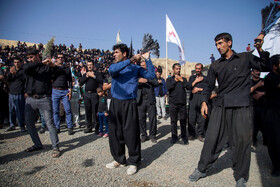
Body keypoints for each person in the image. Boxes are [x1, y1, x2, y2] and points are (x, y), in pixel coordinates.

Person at [188, 32, 269, 187]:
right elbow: (208, 86)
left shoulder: (246, 57)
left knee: (241, 142)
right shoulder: (215, 65)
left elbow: (265, 66)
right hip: (221, 106)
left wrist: (260, 48)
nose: (218, 47)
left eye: (221, 43)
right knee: (211, 138)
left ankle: (241, 176)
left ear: (229, 43)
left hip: (241, 106)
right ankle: (202, 168)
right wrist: (204, 102)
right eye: (216, 44)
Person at [106, 44, 155, 175]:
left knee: (131, 133)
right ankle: (119, 159)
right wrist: (131, 59)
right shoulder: (114, 66)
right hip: (115, 103)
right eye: (114, 53)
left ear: (124, 53)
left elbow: (151, 75)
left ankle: (134, 161)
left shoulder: (135, 68)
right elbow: (112, 71)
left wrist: (148, 59)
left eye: (116, 52)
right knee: (115, 133)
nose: (114, 55)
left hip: (130, 104)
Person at [24, 48, 60, 158]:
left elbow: (59, 73)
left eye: (31, 57)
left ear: (37, 55)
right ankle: (37, 144)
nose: (30, 59)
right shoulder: (30, 67)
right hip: (30, 99)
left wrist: (52, 65)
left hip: (44, 98)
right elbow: (25, 68)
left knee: (50, 123)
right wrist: (39, 63)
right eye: (28, 58)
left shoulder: (46, 67)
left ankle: (55, 147)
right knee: (29, 123)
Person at [263, 54, 280, 177]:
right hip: (273, 113)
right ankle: (276, 166)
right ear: (274, 66)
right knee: (274, 140)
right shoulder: (270, 78)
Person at [166, 63, 190, 145]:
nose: (178, 70)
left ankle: (184, 137)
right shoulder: (169, 80)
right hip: (173, 103)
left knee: (183, 121)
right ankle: (174, 137)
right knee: (173, 121)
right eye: (176, 68)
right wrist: (175, 81)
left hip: (182, 103)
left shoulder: (183, 79)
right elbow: (168, 88)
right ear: (173, 69)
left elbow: (188, 87)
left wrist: (182, 80)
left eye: (179, 68)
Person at [137, 60, 159, 143]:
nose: (142, 66)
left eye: (144, 65)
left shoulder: (151, 74)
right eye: (141, 65)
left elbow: (156, 83)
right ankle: (143, 135)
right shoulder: (137, 74)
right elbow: (132, 83)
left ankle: (152, 135)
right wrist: (139, 81)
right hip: (140, 99)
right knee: (141, 118)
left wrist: (147, 81)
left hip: (150, 99)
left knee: (152, 118)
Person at [52, 53, 74, 135]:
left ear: (64, 59)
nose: (60, 59)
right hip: (55, 90)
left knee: (68, 109)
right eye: (59, 57)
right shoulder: (54, 68)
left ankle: (70, 126)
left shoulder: (67, 69)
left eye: (62, 57)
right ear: (56, 58)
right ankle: (57, 127)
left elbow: (70, 81)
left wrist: (70, 91)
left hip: (65, 91)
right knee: (55, 110)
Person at [80, 61, 103, 133]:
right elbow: (81, 83)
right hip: (87, 94)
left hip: (94, 94)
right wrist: (87, 76)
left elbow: (101, 81)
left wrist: (93, 76)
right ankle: (89, 127)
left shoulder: (97, 73)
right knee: (88, 111)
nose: (89, 66)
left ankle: (96, 128)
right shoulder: (85, 74)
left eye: (91, 65)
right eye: (88, 65)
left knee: (95, 111)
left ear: (93, 66)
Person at [5, 57, 26, 132]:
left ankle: (22, 125)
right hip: (12, 93)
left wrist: (15, 73)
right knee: (11, 110)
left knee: (19, 110)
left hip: (19, 92)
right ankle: (12, 125)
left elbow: (23, 79)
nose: (16, 64)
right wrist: (10, 73)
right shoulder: (12, 70)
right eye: (15, 62)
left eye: (18, 62)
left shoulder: (23, 71)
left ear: (21, 63)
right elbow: (7, 80)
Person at [188, 63, 207, 142]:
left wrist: (198, 89)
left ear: (201, 69)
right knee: (191, 117)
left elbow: (207, 89)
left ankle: (199, 134)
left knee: (201, 118)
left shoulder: (205, 78)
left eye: (199, 68)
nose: (197, 70)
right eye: (196, 68)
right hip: (193, 99)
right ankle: (192, 134)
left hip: (201, 98)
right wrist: (196, 81)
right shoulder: (192, 77)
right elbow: (189, 86)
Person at [250, 68, 266, 147]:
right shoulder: (249, 82)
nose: (258, 73)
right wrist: (257, 86)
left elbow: (270, 90)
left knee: (264, 124)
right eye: (256, 71)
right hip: (253, 106)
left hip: (263, 106)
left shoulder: (263, 80)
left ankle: (266, 140)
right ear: (252, 72)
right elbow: (247, 91)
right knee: (253, 124)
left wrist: (262, 93)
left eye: (259, 71)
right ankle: (254, 139)